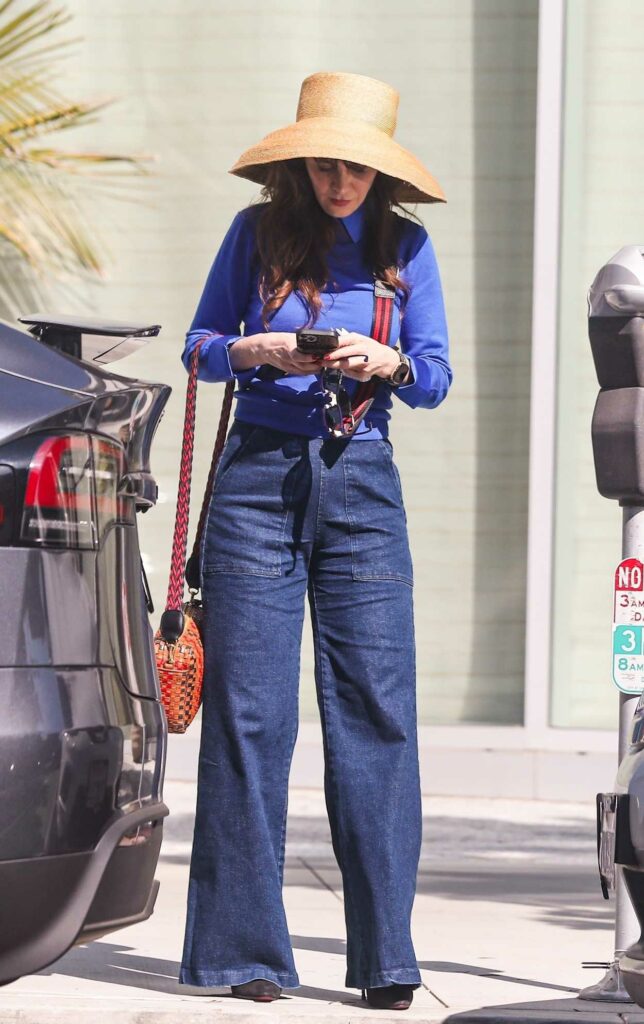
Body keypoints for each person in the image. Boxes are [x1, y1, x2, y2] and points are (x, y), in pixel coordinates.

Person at [178, 71, 452, 1011]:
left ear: (382, 174)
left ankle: (387, 956)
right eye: (329, 165)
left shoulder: (405, 251)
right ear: (303, 164)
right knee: (251, 714)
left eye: (360, 169)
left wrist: (392, 360)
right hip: (256, 479)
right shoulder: (256, 238)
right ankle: (243, 953)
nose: (343, 183)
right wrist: (254, 350)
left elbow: (437, 377)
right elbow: (201, 344)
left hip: (363, 484)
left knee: (376, 712)